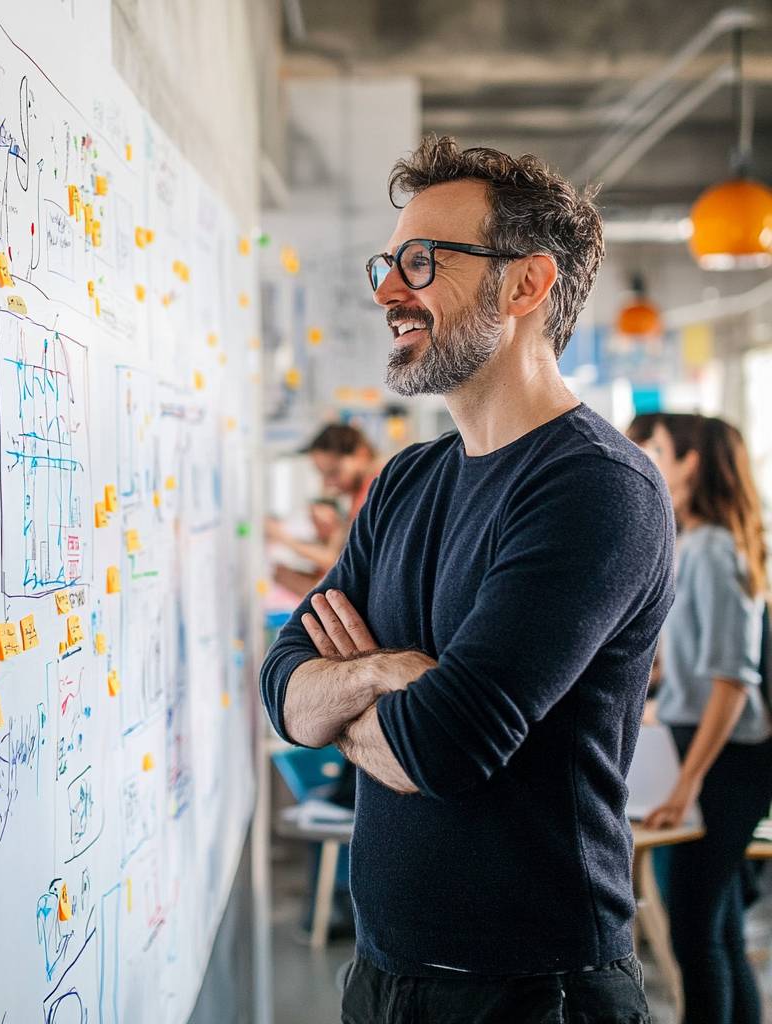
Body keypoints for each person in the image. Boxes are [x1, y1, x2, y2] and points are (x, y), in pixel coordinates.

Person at [259, 135, 675, 1023]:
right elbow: (281, 687)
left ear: (525, 285)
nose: (386, 292)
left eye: (422, 261)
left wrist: (348, 720)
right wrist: (379, 675)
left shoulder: (597, 488)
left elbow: (441, 749)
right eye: (389, 261)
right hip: (381, 974)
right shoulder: (411, 477)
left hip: (534, 992)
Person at [631, 412, 772, 1024]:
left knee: (694, 931)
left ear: (690, 462)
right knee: (713, 928)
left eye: (659, 449)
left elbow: (731, 682)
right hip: (699, 746)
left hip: (726, 757)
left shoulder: (717, 548)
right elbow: (685, 667)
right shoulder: (691, 543)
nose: (649, 459)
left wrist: (687, 783)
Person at [266, 424, 380, 597]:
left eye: (334, 473)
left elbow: (334, 560)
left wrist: (282, 537)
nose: (328, 484)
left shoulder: (374, 494)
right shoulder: (360, 496)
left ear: (361, 454)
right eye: (323, 475)